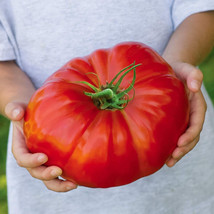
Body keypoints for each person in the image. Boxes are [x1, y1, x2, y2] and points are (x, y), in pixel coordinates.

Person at [0, 0, 214, 213]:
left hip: (184, 170)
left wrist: (173, 67)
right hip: (53, 186)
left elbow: (203, 9)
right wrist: (28, 114)